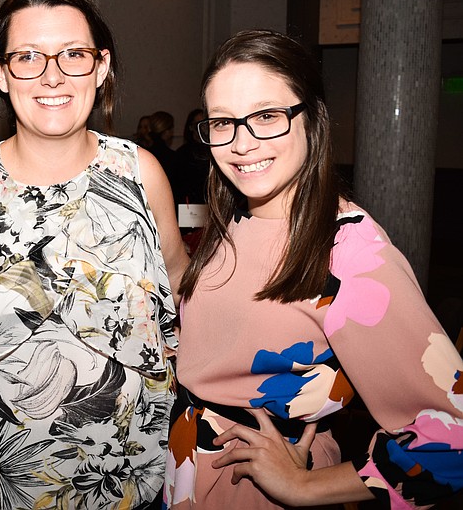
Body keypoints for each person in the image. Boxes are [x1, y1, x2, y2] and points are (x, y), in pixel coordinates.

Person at [0, 0, 189, 509]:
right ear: (1, 72)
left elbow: (180, 290)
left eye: (73, 55)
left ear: (101, 66)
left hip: (138, 482)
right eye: (28, 57)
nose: (52, 75)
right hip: (2, 489)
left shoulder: (141, 173)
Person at [164, 29, 463, 509]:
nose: (242, 143)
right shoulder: (236, 216)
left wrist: (304, 487)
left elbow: (453, 438)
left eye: (266, 116)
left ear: (312, 120)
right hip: (190, 468)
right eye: (222, 122)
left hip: (255, 485)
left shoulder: (349, 250)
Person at [173, 108, 208, 206]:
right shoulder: (182, 154)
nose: (201, 128)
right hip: (189, 209)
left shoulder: (215, 151)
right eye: (197, 124)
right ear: (191, 127)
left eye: (204, 124)